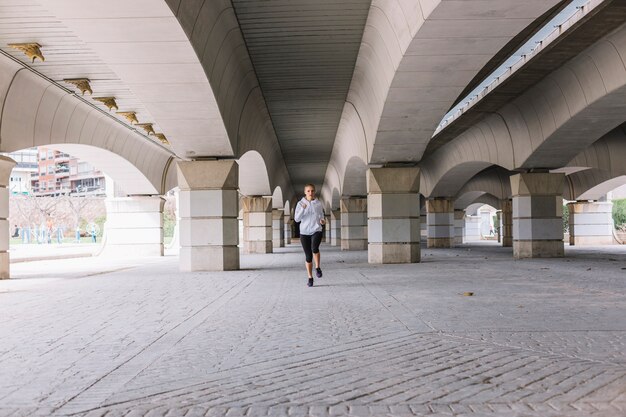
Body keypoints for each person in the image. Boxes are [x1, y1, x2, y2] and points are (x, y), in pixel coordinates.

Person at [294, 183, 325, 287]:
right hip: (304, 232)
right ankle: (310, 278)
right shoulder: (300, 204)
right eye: (308, 191)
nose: (310, 193)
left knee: (314, 248)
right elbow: (297, 219)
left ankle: (318, 267)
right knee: (308, 256)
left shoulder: (318, 203)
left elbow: (321, 215)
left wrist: (322, 220)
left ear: (314, 191)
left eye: (312, 190)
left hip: (316, 230)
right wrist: (303, 208)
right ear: (305, 192)